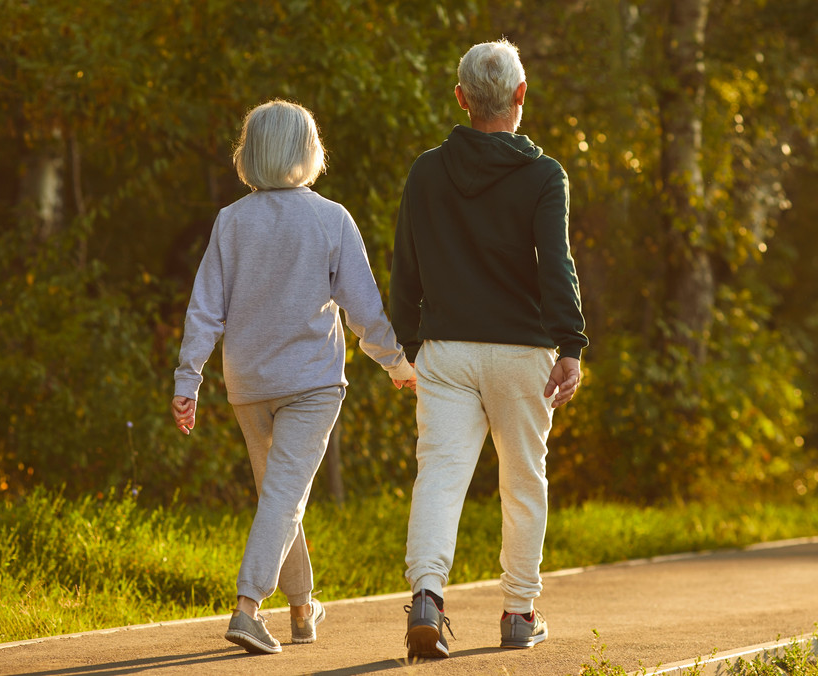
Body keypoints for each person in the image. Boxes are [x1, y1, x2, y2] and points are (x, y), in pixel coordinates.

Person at [172, 100, 416, 655]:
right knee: (284, 496)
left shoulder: (231, 221)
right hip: (311, 384)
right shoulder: (331, 217)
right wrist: (397, 364)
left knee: (281, 494)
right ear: (308, 151)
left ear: (251, 154)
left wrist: (189, 380)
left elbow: (205, 308)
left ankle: (303, 609)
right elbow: (364, 310)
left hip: (249, 384)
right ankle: (248, 606)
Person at [390, 39, 587, 658]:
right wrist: (571, 343)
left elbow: (406, 265)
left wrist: (406, 345)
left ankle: (426, 597)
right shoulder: (542, 174)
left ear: (461, 98)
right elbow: (555, 266)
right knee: (523, 483)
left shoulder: (427, 170)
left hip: (446, 351)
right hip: (521, 352)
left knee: (440, 477)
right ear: (520, 96)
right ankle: (519, 614)